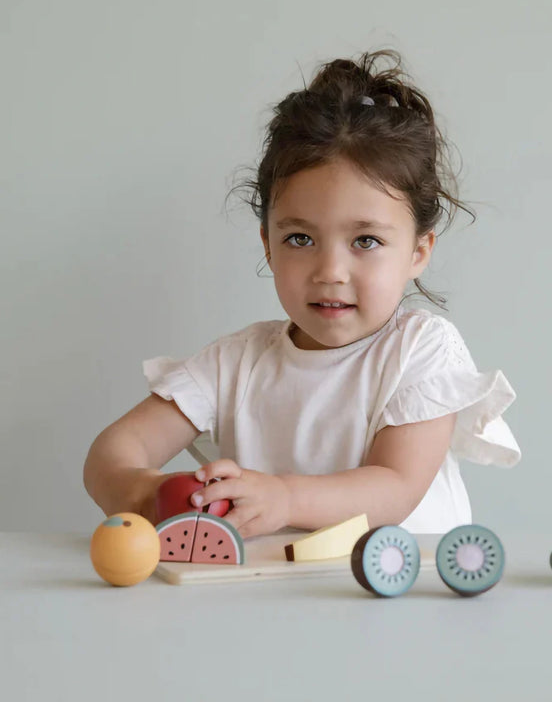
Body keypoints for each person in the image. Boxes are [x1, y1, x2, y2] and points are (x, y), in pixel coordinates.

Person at [83, 49, 521, 539]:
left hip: (406, 599)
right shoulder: (235, 362)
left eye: (366, 241)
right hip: (274, 600)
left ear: (419, 252)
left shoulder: (420, 350)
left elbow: (395, 487)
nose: (330, 271)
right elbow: (112, 451)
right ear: (268, 245)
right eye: (300, 239)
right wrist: (144, 492)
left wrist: (284, 497)